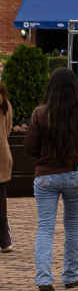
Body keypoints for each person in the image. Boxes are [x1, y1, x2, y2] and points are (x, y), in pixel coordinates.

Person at [24, 68, 78, 291]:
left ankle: (44, 280)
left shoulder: (40, 113)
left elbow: (29, 147)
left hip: (46, 174)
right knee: (73, 226)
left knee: (45, 228)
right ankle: (70, 276)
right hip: (75, 174)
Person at [0, 83, 12, 253]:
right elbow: (8, 130)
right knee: (1, 202)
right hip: (2, 155)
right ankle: (5, 241)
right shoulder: (5, 103)